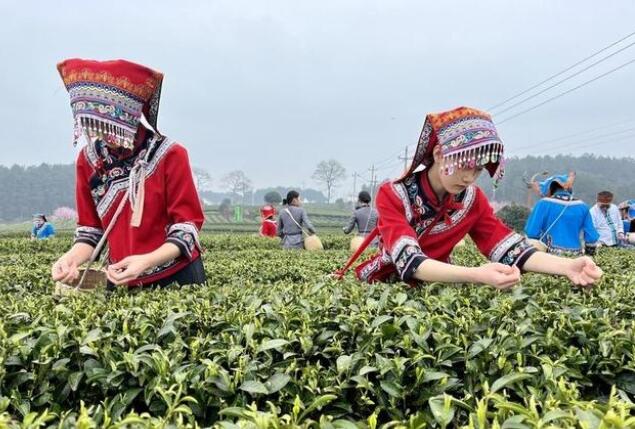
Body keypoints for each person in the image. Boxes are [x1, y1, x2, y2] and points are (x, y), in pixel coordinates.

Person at [336, 106, 602, 289]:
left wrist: (568, 267)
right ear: (440, 154)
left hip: (440, 287)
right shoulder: (393, 194)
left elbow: (511, 250)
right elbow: (410, 261)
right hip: (383, 287)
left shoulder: (472, 200)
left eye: (477, 169)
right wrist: (476, 275)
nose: (469, 177)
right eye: (464, 164)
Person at [51, 59, 205, 289]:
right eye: (93, 125)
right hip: (119, 278)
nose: (100, 134)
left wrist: (146, 261)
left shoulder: (170, 154)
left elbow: (187, 227)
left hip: (176, 277)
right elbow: (91, 231)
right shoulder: (88, 160)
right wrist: (69, 259)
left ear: (127, 116)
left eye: (107, 124)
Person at [525, 173, 599, 255]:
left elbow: (532, 232)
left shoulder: (543, 204)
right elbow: (591, 237)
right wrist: (590, 255)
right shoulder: (582, 206)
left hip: (549, 255)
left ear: (549, 189)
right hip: (575, 255)